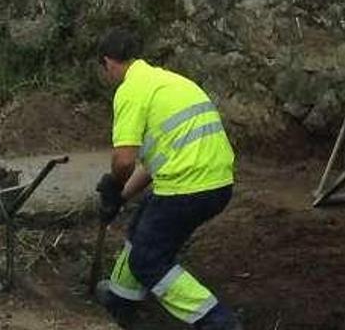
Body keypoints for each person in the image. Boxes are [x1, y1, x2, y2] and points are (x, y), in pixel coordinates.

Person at [94, 27, 242, 330]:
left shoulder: (131, 91)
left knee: (147, 258)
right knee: (143, 223)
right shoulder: (168, 82)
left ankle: (217, 322)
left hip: (186, 186)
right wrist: (121, 199)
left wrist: (113, 184)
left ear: (108, 62)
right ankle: (121, 298)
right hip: (217, 183)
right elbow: (151, 165)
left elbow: (124, 161)